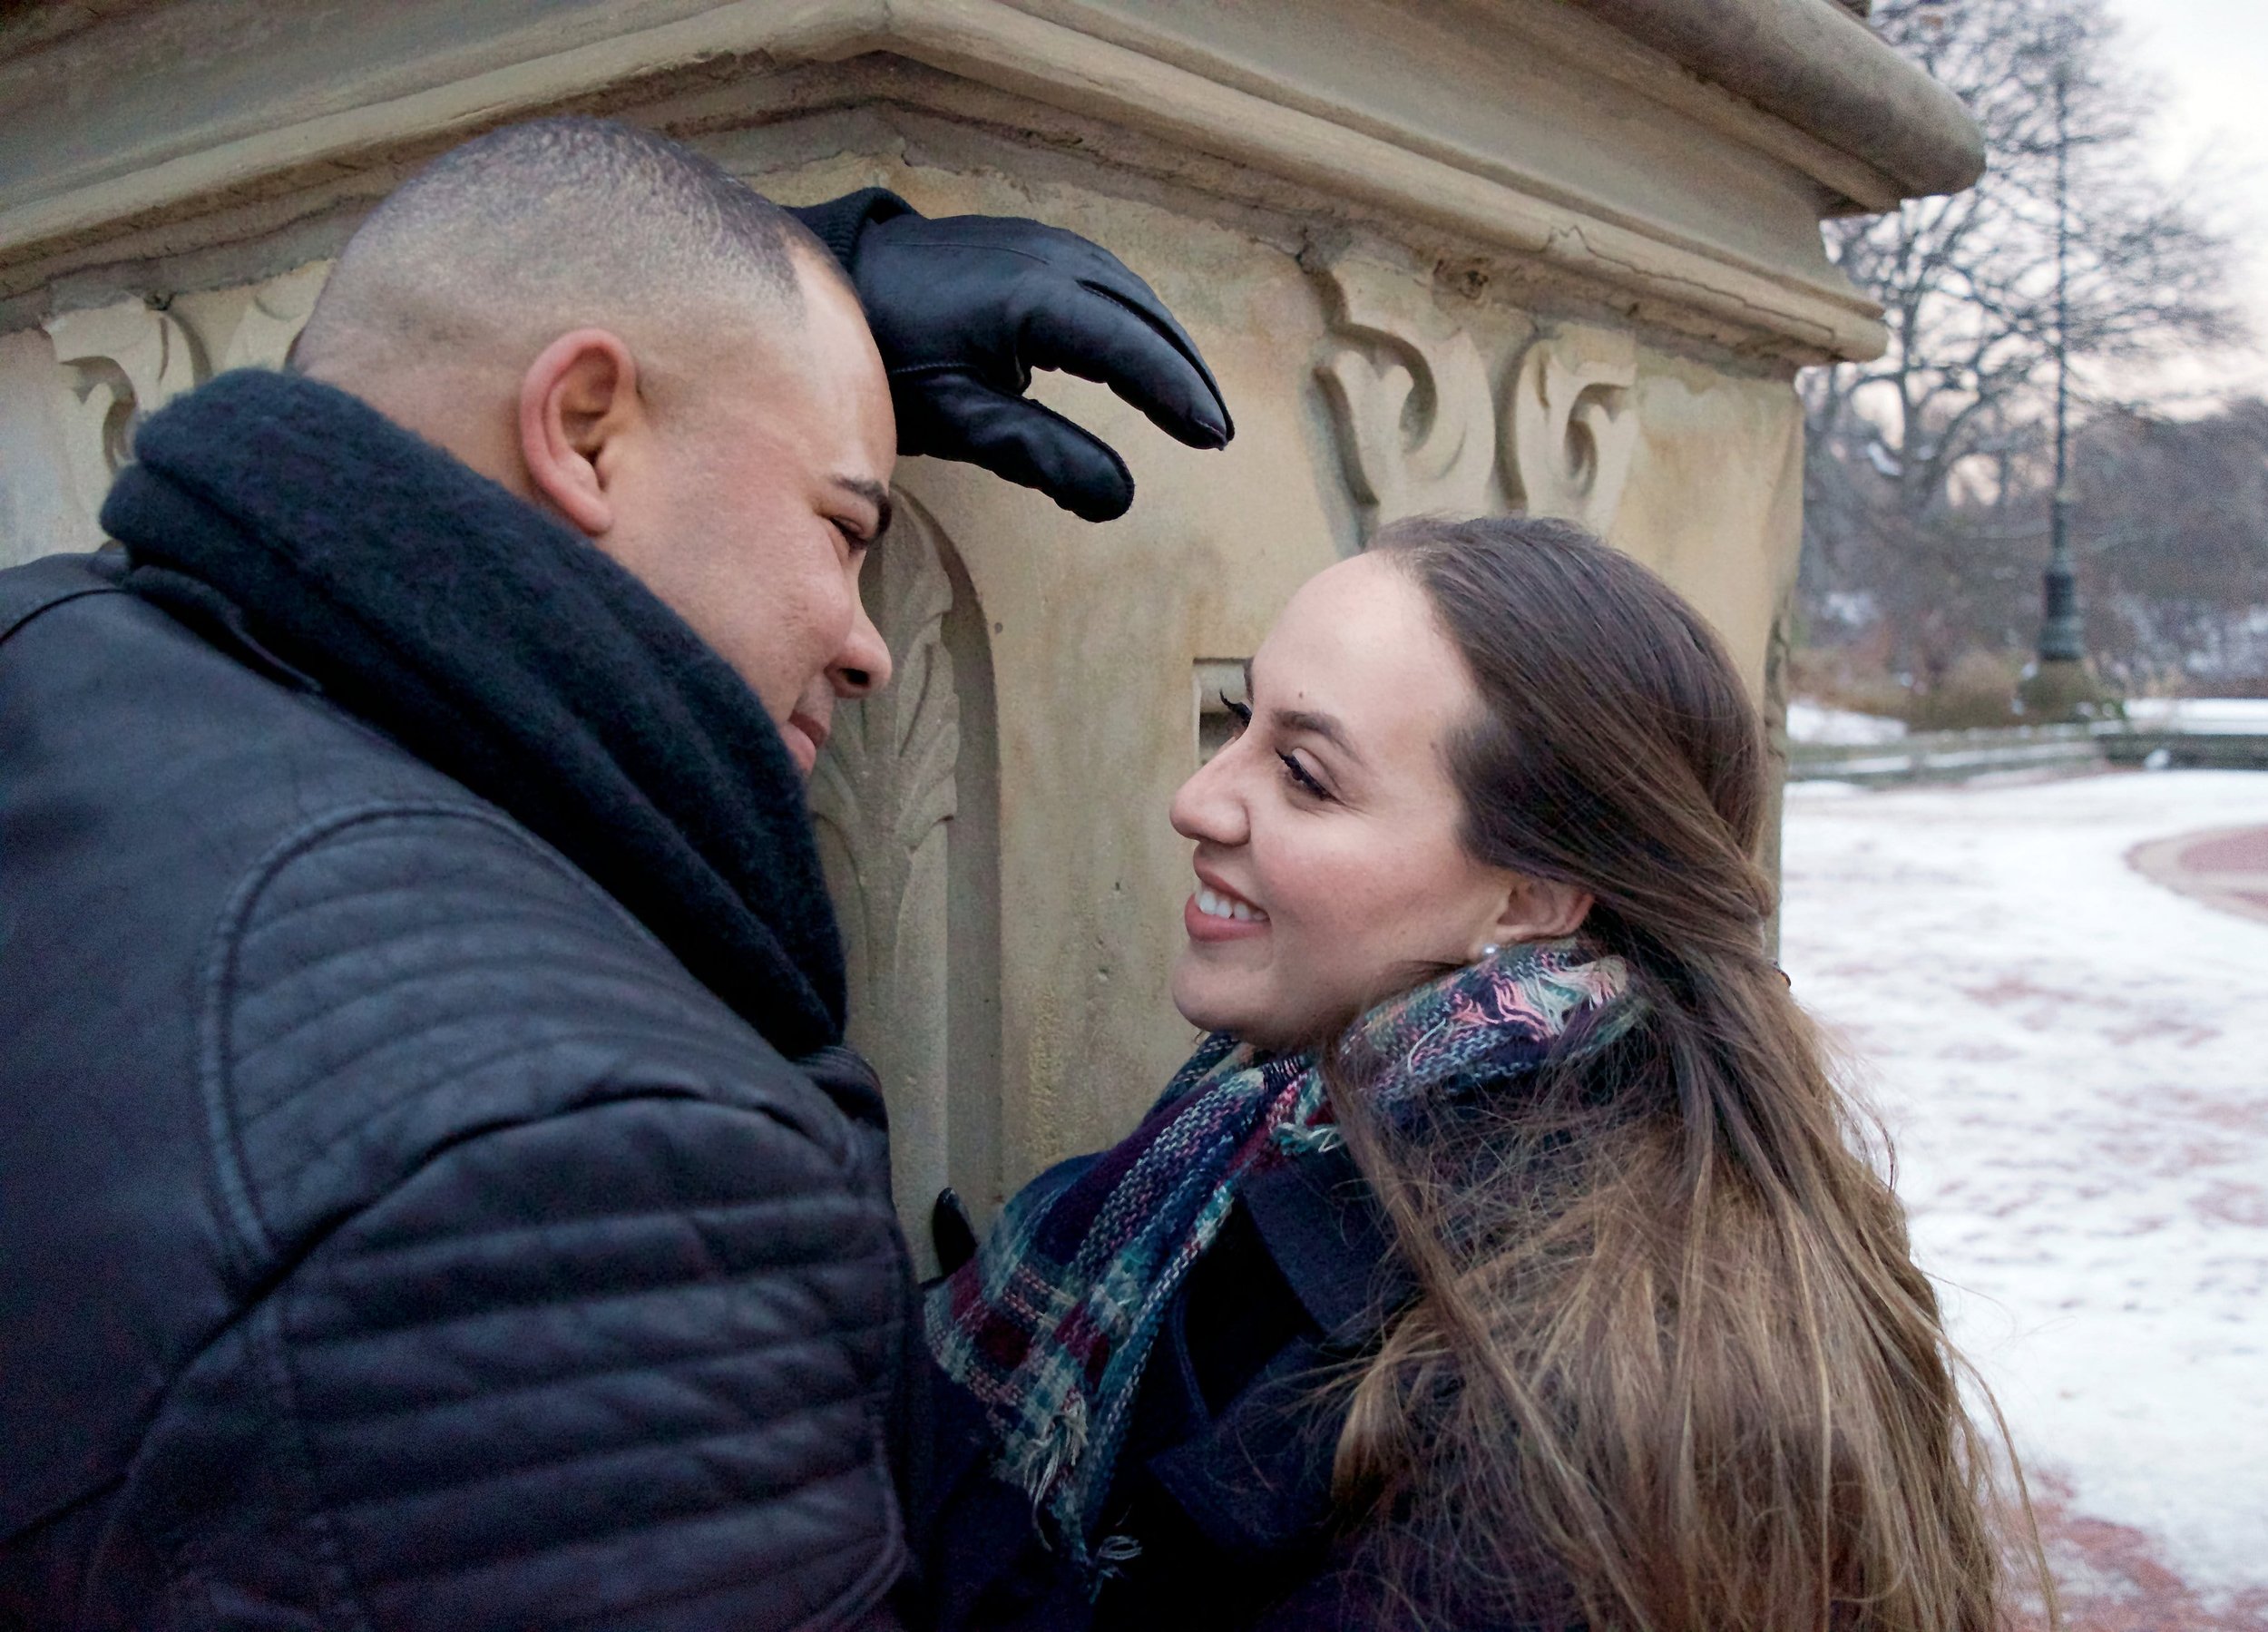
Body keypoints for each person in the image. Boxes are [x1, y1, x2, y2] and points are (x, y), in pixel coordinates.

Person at [0, 116, 1227, 1630]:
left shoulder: (59, 648)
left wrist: (780, 318)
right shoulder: (584, 1190)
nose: (869, 638)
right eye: (846, 528)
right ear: (584, 425)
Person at [920, 516, 2038, 1631]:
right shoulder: (1267, 1137)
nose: (1199, 798)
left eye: (1304, 775)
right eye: (1235, 718)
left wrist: (878, 1390)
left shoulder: (1552, 1394)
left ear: (1524, 903)